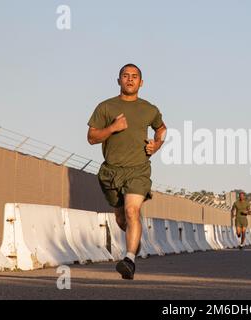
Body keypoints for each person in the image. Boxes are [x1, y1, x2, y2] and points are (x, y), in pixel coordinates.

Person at [87, 63, 167, 280]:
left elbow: (161, 128)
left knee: (132, 212)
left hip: (138, 170)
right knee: (122, 219)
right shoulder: (105, 107)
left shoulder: (149, 109)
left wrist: (157, 145)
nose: (130, 79)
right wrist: (112, 128)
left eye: (134, 77)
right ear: (118, 80)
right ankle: (135, 240)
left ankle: (129, 259)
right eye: (125, 76)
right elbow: (92, 138)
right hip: (111, 172)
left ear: (141, 83)